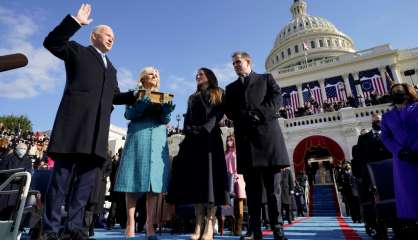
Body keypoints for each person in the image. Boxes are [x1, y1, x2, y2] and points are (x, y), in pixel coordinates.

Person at [42, 4, 138, 240]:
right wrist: (75, 21)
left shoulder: (112, 68)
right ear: (94, 36)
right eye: (107, 35)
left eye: (114, 37)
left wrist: (136, 94)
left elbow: (114, 96)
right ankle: (51, 229)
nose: (111, 39)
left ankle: (74, 228)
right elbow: (52, 42)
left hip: (96, 135)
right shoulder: (77, 51)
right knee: (60, 182)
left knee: (84, 187)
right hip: (73, 129)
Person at [224, 51, 290, 240]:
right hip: (246, 142)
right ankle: (254, 230)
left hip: (268, 140)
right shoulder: (231, 88)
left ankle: (278, 228)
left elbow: (276, 99)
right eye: (234, 64)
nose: (236, 65)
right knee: (252, 191)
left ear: (248, 61)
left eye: (238, 62)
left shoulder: (266, 79)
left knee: (273, 190)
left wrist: (258, 114)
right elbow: (229, 111)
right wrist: (243, 117)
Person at [168, 68, 229, 240]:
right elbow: (187, 118)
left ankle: (209, 224)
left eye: (201, 74)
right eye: (196, 74)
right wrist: (190, 130)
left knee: (210, 183)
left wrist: (205, 129)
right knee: (197, 184)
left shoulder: (219, 92)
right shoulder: (192, 97)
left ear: (209, 76)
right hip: (194, 143)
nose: (197, 76)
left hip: (211, 141)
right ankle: (198, 223)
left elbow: (217, 114)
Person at [114, 67, 174, 239]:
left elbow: (165, 120)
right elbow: (128, 114)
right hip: (138, 137)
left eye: (157, 74)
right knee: (132, 181)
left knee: (154, 186)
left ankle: (150, 224)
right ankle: (130, 223)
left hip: (157, 139)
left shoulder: (163, 96)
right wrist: (139, 107)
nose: (155, 76)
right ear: (142, 78)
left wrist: (167, 112)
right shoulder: (134, 93)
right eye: (151, 74)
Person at [381, 83, 418, 221]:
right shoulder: (387, 117)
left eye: (399, 91)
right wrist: (399, 151)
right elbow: (385, 137)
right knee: (409, 194)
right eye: (394, 92)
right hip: (403, 160)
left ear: (408, 93)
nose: (396, 93)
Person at [354, 113, 391, 233]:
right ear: (371, 122)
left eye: (379, 120)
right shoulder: (363, 138)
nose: (378, 123)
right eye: (375, 121)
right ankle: (380, 230)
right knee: (375, 203)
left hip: (389, 174)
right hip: (371, 176)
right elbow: (359, 157)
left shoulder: (389, 134)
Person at [0, 143, 33, 219]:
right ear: (16, 148)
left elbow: (29, 173)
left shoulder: (28, 160)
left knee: (13, 211)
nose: (22, 150)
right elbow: (2, 170)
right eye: (21, 148)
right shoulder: (8, 158)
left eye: (24, 149)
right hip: (6, 186)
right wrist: (13, 176)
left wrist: (19, 178)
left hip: (18, 187)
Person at [225, 134, 246, 236]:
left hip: (238, 179)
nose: (229, 142)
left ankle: (238, 229)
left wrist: (237, 175)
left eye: (231, 140)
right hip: (229, 180)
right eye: (228, 140)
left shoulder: (236, 152)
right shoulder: (226, 153)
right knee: (230, 207)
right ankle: (232, 229)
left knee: (239, 206)